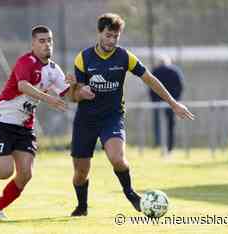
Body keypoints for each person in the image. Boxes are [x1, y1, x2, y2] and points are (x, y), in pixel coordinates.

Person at [68, 13, 194, 216]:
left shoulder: (124, 56)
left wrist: (173, 103)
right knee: (80, 173)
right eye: (108, 35)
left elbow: (150, 79)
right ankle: (82, 206)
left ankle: (131, 194)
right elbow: (73, 95)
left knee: (117, 158)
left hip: (112, 117)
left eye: (116, 36)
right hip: (86, 120)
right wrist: (80, 92)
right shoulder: (83, 58)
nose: (112, 40)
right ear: (99, 33)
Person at [0, 25, 74, 220]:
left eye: (49, 40)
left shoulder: (53, 70)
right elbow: (23, 86)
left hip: (25, 126)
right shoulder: (26, 62)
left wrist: (78, 86)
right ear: (33, 44)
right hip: (2, 120)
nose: (46, 44)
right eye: (42, 41)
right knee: (4, 172)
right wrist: (48, 98)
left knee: (26, 174)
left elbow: (70, 94)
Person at [149, 55, 184, 152]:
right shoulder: (175, 71)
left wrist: (154, 100)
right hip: (171, 103)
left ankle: (158, 144)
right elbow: (180, 86)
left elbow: (150, 86)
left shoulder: (155, 71)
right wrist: (176, 100)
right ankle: (170, 147)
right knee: (170, 125)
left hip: (157, 102)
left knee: (158, 124)